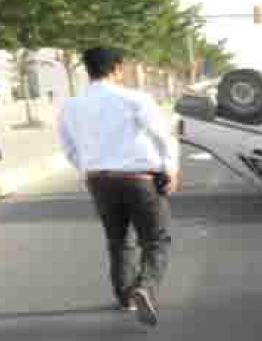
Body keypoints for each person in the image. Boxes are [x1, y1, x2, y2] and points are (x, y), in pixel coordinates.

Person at [58, 47, 180, 327]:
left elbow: (69, 147)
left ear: (87, 70)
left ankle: (125, 296)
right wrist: (170, 168)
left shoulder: (71, 105)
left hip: (98, 180)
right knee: (156, 239)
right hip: (138, 179)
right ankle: (145, 287)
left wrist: (89, 169)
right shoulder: (135, 99)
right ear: (116, 68)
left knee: (118, 240)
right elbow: (162, 136)